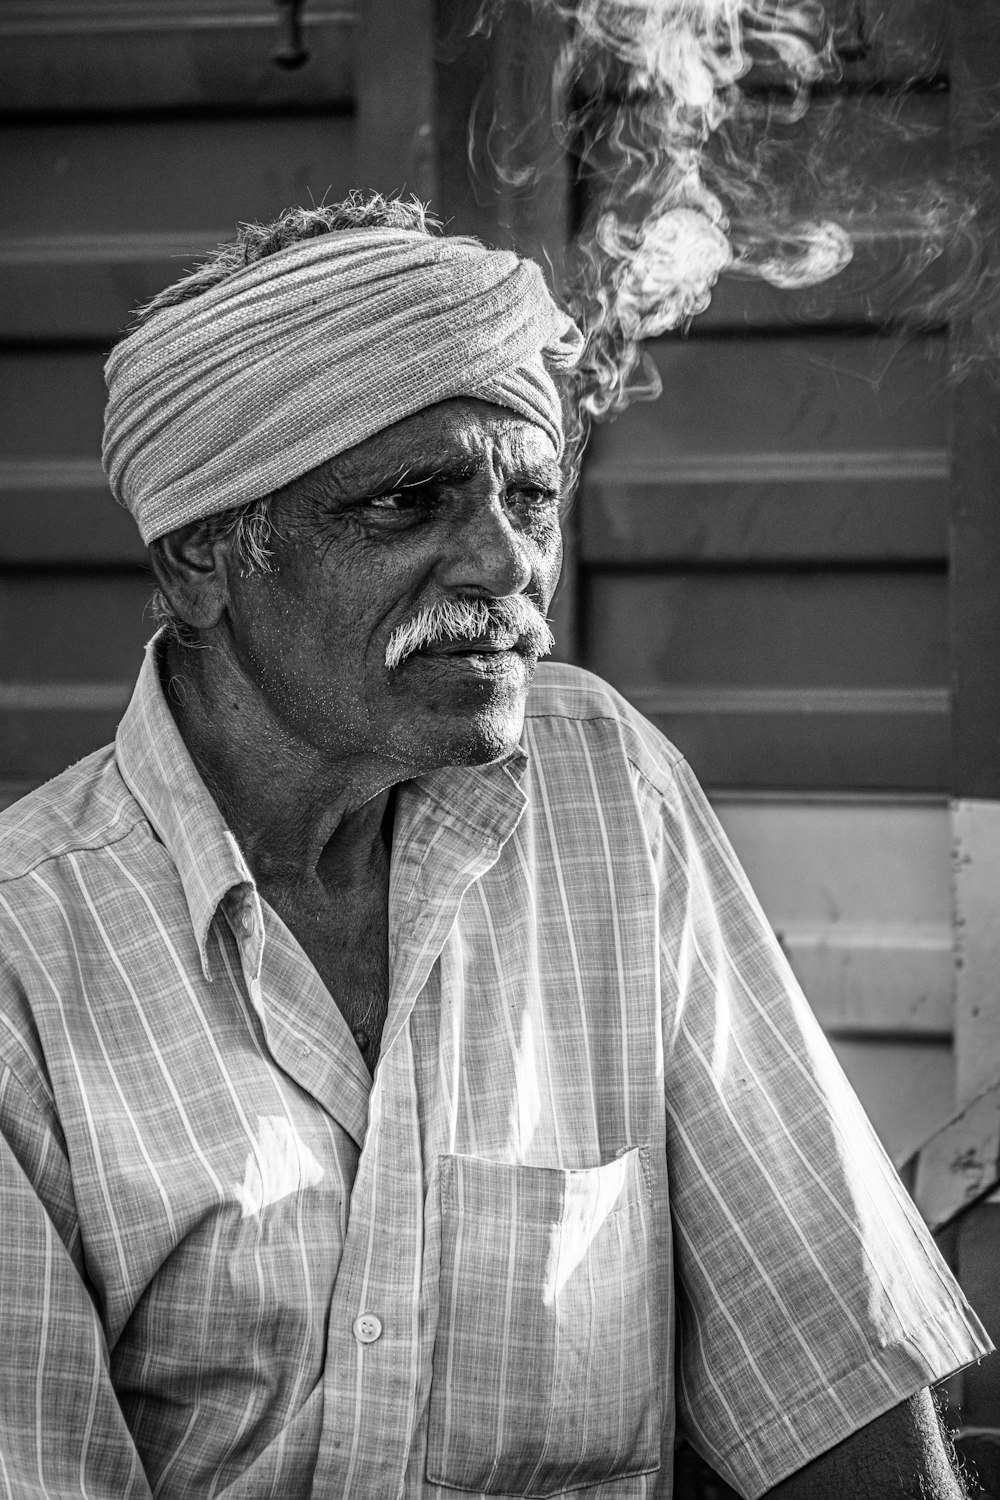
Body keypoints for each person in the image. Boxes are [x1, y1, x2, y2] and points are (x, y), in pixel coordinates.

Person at [0, 193, 990, 1500]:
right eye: (410, 502)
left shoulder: (604, 786)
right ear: (200, 559)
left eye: (530, 494)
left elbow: (826, 1360)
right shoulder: (25, 957)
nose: (507, 562)